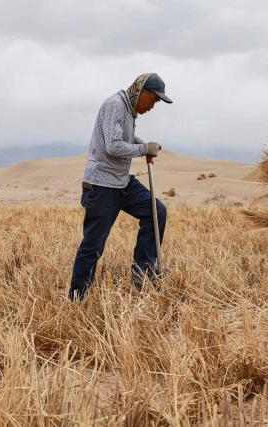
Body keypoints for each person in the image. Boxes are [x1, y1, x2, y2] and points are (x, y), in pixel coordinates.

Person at [69, 73, 173, 301]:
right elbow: (114, 146)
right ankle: (77, 298)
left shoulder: (129, 111)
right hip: (102, 184)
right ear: (143, 92)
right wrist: (143, 149)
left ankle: (143, 270)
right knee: (93, 244)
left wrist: (139, 142)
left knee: (156, 212)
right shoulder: (115, 105)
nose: (153, 106)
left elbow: (125, 138)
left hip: (121, 181)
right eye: (154, 100)